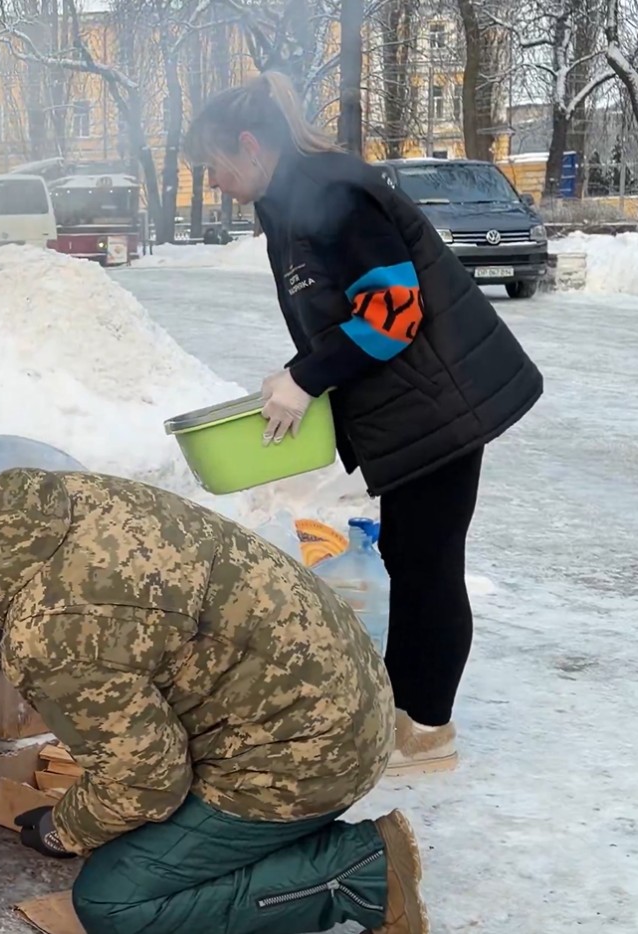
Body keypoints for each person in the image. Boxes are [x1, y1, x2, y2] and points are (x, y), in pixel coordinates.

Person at [0, 469, 423, 934]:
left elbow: (147, 782)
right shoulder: (42, 508)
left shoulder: (50, 637)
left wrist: (64, 829)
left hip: (308, 753)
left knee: (114, 900)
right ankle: (278, 847)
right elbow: (65, 602)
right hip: (341, 681)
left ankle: (361, 874)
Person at [186, 74, 543, 776]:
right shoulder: (291, 201)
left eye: (214, 165)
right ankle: (405, 710)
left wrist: (309, 378)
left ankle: (428, 733)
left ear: (251, 147)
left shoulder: (332, 196)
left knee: (429, 565)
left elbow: (394, 312)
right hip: (419, 407)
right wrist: (299, 369)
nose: (213, 182)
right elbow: (344, 311)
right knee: (413, 559)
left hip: (440, 405)